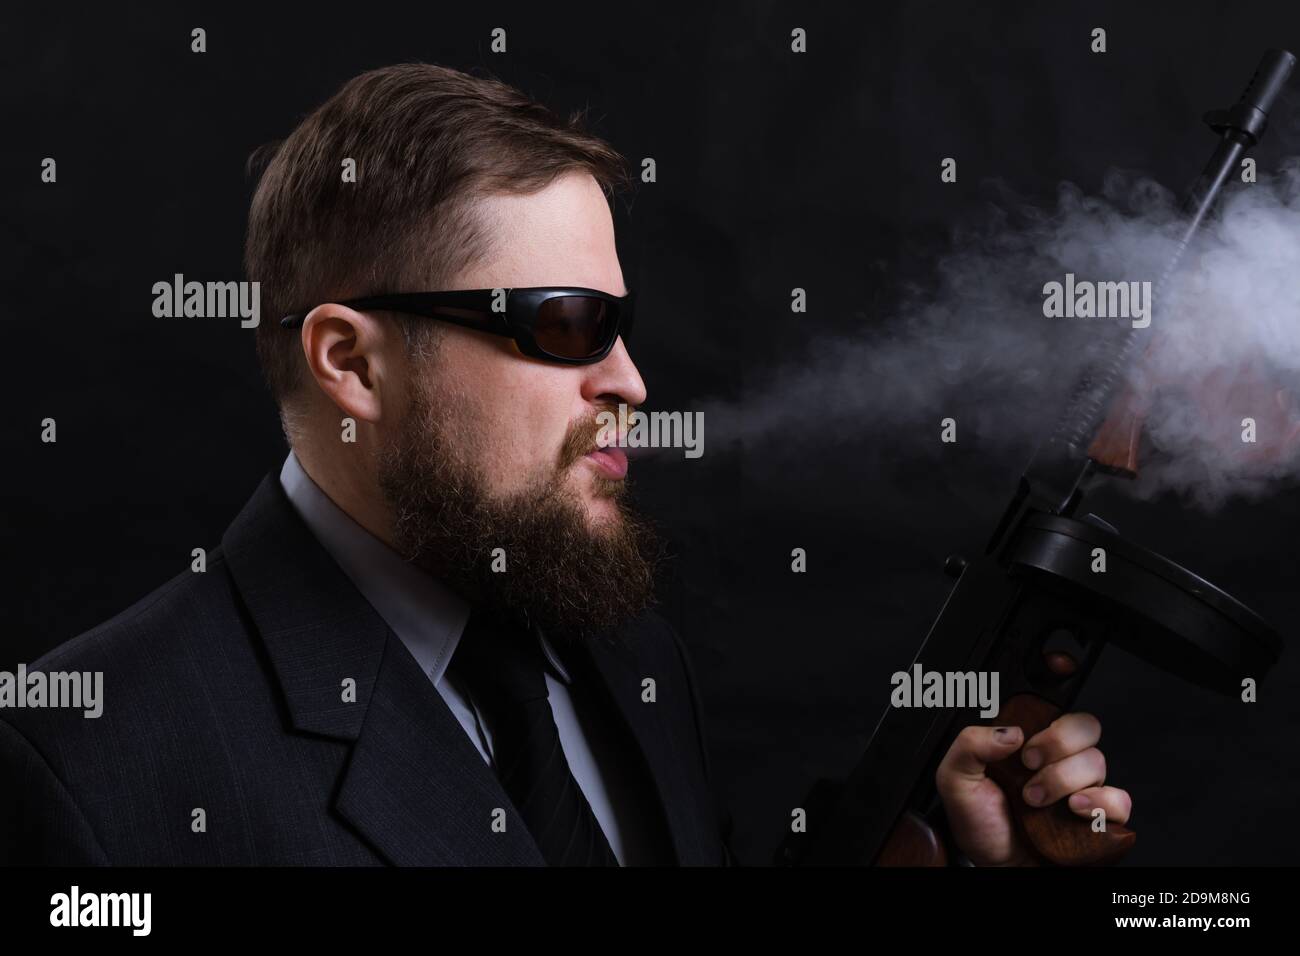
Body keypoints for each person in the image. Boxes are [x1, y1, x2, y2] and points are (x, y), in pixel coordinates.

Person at [0, 63, 1130, 866]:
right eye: (561, 325)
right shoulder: (92, 765)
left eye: (621, 325)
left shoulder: (620, 648)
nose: (631, 382)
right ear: (350, 361)